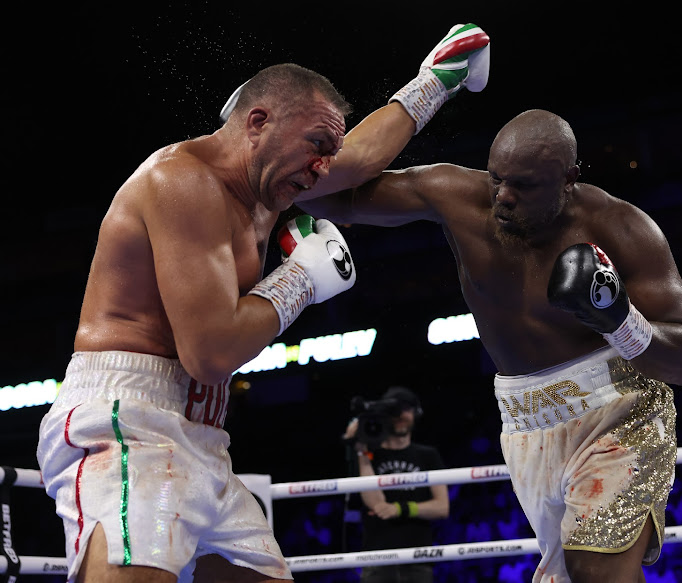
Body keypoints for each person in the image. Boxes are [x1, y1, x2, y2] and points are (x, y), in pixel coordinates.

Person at [35, 25, 491, 583]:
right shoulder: (185, 183)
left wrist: (437, 80)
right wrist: (299, 279)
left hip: (203, 430)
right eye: (317, 147)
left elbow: (366, 155)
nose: (325, 168)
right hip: (130, 421)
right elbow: (209, 351)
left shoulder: (275, 181)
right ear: (258, 124)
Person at [298, 108, 682, 583]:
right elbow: (323, 193)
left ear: (568, 178)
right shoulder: (455, 196)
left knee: (594, 570)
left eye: (525, 186)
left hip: (620, 410)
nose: (504, 197)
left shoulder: (620, 227)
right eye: (497, 179)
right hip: (523, 420)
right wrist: (426, 92)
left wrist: (620, 320)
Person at [344, 386, 449, 583]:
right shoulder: (369, 455)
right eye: (394, 410)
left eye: (406, 409)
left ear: (416, 413)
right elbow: (374, 503)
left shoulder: (428, 455)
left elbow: (442, 507)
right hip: (377, 558)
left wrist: (399, 508)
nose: (401, 415)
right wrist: (359, 449)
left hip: (418, 558)